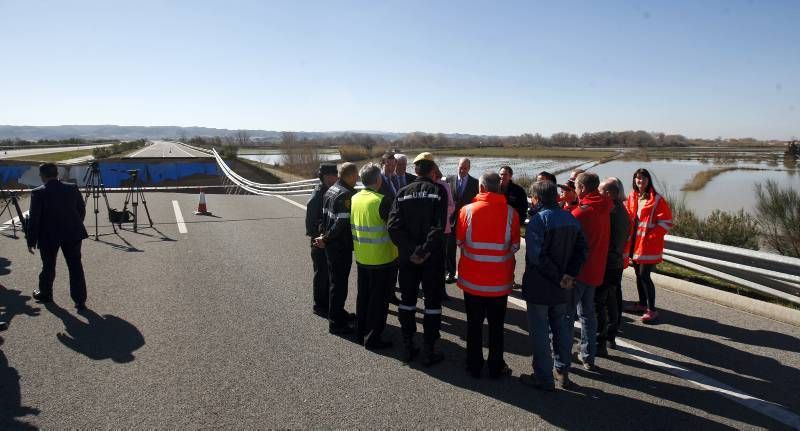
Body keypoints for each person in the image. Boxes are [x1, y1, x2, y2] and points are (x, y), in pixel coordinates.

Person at [520, 181, 587, 391]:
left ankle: (543, 377)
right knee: (561, 330)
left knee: (540, 333)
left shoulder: (537, 221)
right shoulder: (571, 218)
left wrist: (559, 276)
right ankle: (562, 372)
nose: (531, 200)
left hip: (541, 286)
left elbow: (537, 256)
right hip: (563, 288)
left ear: (537, 199)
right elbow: (582, 250)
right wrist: (569, 275)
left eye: (532, 197)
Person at [456, 171, 520, 379]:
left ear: (481, 188)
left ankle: (473, 365)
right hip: (499, 283)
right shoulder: (511, 213)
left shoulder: (466, 211)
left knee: (474, 325)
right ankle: (495, 366)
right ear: (499, 187)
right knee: (496, 327)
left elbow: (459, 242)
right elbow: (516, 246)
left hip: (472, 281)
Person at [387, 152, 447, 366]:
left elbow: (393, 227)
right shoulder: (438, 191)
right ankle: (430, 349)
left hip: (408, 259)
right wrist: (423, 251)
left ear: (415, 171)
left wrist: (412, 251)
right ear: (432, 171)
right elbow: (438, 228)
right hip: (431, 259)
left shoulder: (402, 192)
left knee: (407, 301)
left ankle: (408, 344)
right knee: (432, 303)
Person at [27, 163, 89, 310]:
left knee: (48, 266)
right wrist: (74, 224)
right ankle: (80, 300)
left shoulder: (38, 192)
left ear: (42, 176)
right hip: (72, 233)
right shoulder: (72, 188)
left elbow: (34, 219)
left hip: (48, 235)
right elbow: (81, 209)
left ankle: (46, 293)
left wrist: (31, 240)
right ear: (57, 174)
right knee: (75, 266)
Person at [351, 163, 397, 350]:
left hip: (362, 257)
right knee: (379, 301)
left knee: (363, 297)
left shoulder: (354, 198)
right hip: (382, 259)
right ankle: (373, 338)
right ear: (379, 180)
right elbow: (394, 228)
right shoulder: (381, 201)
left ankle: (360, 332)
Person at [570, 172, 611, 371]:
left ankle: (561, 352)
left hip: (578, 272)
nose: (575, 190)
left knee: (567, 315)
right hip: (597, 269)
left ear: (583, 188)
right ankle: (588, 355)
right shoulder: (606, 207)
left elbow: (569, 239)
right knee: (588, 314)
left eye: (576, 187)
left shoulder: (582, 212)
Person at [315, 162, 359, 334]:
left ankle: (338, 313)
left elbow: (324, 217)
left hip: (330, 246)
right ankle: (336, 322)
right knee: (339, 285)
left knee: (335, 282)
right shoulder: (346, 195)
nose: (357, 179)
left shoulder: (331, 190)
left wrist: (323, 236)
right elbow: (340, 223)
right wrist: (326, 238)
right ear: (350, 176)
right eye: (356, 176)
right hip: (339, 247)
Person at [625, 168, 672, 323]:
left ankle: (652, 310)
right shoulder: (632, 197)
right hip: (635, 244)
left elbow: (666, 222)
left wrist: (651, 236)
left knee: (645, 276)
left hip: (648, 246)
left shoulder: (657, 199)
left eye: (643, 178)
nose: (640, 181)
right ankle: (641, 304)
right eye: (638, 178)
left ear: (648, 180)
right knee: (638, 275)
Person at [595, 177, 630, 356]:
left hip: (608, 263)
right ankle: (609, 337)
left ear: (610, 193)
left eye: (600, 191)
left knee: (600, 303)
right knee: (611, 301)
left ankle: (600, 341)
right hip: (614, 263)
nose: (597, 194)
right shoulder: (620, 210)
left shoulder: (612, 212)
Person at [306, 164, 338, 318]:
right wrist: (317, 235)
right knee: (321, 274)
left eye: (335, 174)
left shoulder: (331, 190)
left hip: (327, 240)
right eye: (331, 175)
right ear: (323, 177)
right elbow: (311, 218)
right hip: (319, 241)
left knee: (327, 275)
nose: (334, 178)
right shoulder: (319, 193)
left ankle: (327, 304)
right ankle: (319, 306)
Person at [445, 158, 479, 283]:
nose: (463, 170)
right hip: (451, 221)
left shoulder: (475, 183)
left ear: (469, 168)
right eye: (461, 167)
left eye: (465, 168)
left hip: (467, 222)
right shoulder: (449, 179)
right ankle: (450, 272)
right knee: (450, 249)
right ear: (457, 166)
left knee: (467, 250)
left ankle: (468, 273)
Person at [434, 167, 455, 301]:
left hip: (443, 229)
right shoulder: (424, 185)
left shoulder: (445, 185)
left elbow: (452, 206)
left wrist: (440, 212)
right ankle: (427, 290)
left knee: (441, 262)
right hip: (426, 230)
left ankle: (441, 291)